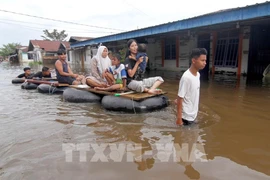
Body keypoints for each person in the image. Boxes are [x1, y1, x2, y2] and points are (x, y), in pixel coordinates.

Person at [176, 48, 207, 126]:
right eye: (202, 60)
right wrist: (179, 119)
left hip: (193, 114)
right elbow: (180, 98)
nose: (205, 63)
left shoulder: (198, 75)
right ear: (194, 61)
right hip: (186, 117)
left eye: (205, 60)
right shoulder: (186, 77)